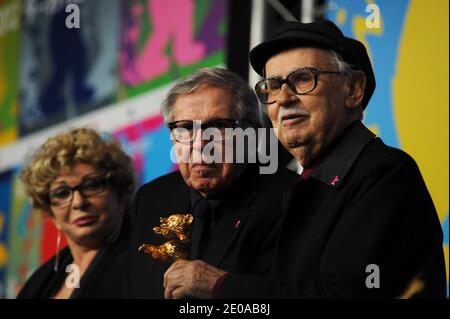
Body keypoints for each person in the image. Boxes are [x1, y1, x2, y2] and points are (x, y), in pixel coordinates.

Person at [163, 20, 446, 298]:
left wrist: (221, 286)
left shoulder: (384, 174)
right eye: (272, 86)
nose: (283, 98)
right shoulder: (307, 188)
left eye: (303, 79)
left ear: (353, 89)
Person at [125, 67, 299, 298]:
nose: (199, 144)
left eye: (217, 127)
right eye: (186, 128)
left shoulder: (292, 199)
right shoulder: (150, 198)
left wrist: (222, 287)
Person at [17, 128, 135, 299]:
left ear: (119, 194)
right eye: (62, 193)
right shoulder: (37, 284)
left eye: (92, 185)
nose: (79, 202)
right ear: (49, 212)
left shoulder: (144, 260)